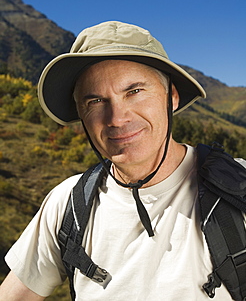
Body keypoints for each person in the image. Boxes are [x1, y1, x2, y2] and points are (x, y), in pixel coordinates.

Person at [0, 21, 242, 300]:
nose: (117, 118)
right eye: (96, 102)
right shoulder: (67, 203)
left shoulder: (239, 190)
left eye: (134, 91)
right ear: (81, 114)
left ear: (171, 97)